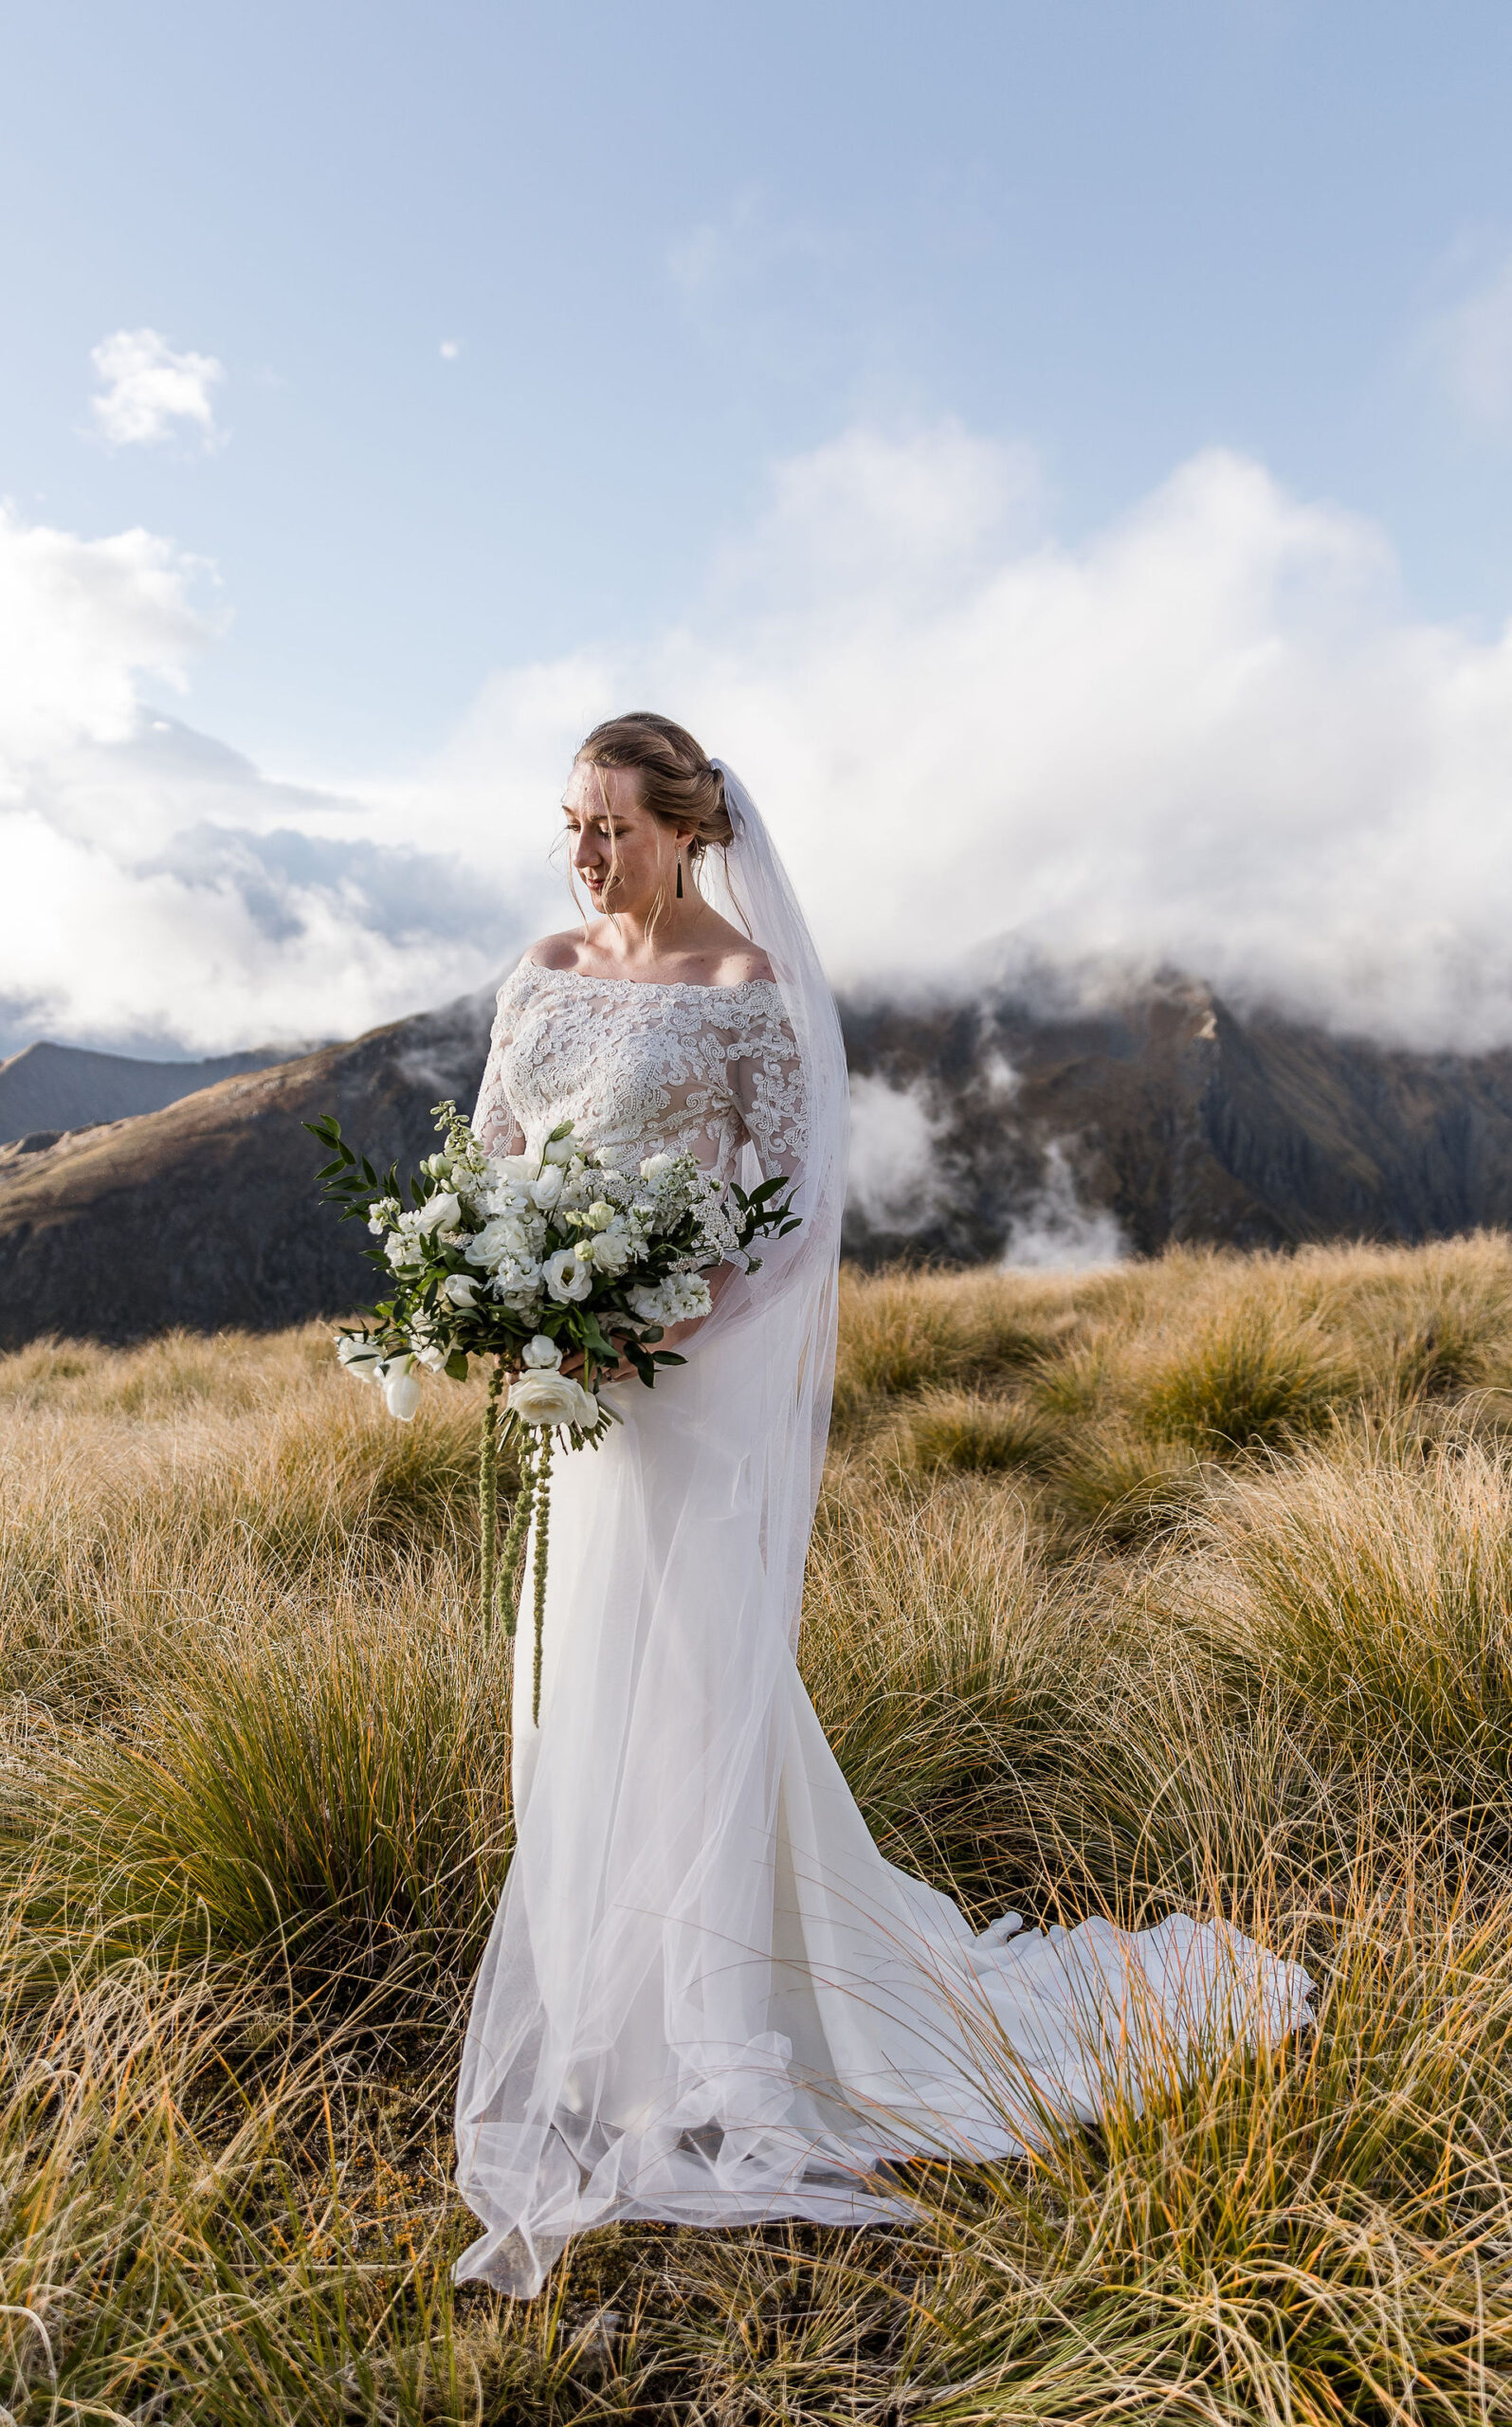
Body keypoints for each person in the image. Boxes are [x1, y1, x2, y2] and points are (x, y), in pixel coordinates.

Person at [452, 712, 1310, 2299]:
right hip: (577, 1407)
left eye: (613, 828)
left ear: (686, 832)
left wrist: (655, 1327)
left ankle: (721, 2041)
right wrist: (506, 1300)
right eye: (569, 821)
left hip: (684, 1402)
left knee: (701, 1694)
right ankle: (601, 2007)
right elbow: (498, 1159)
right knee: (586, 1683)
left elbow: (784, 1225)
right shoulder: (543, 967)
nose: (583, 853)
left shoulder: (746, 994)